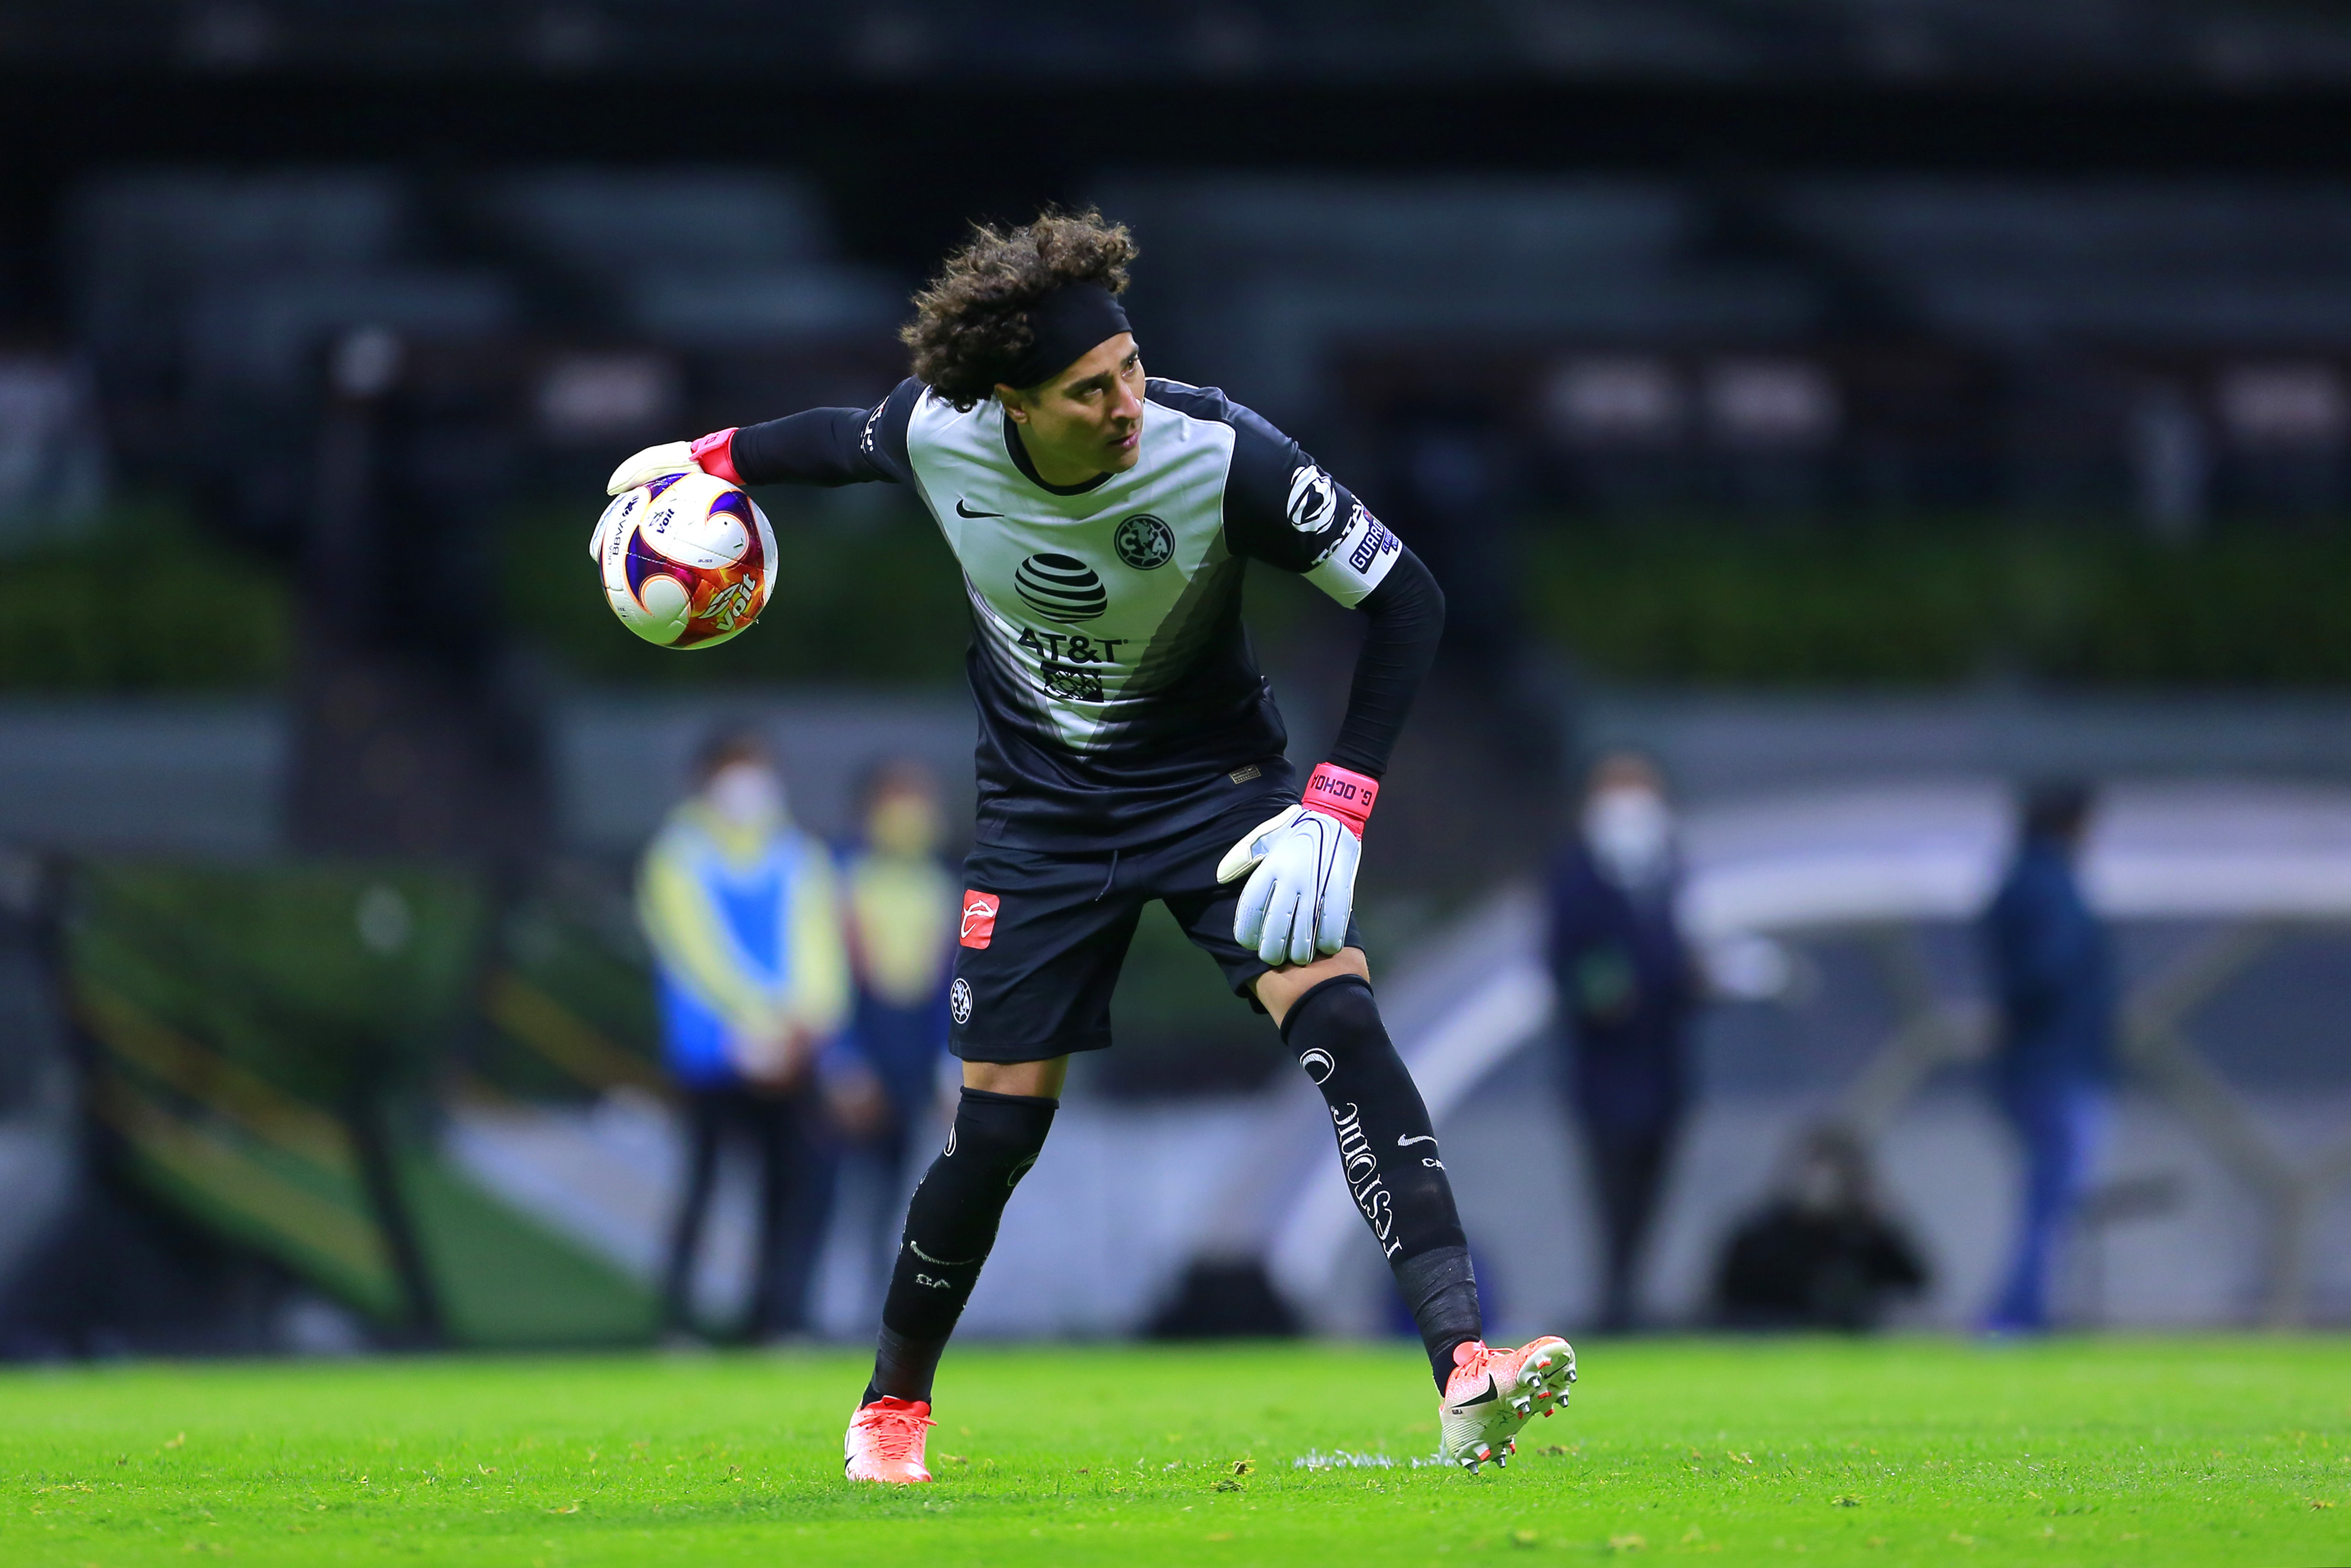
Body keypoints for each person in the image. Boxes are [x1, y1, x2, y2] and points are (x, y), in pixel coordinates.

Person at [602, 209, 1571, 1483]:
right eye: (1087, 387)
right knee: (997, 1133)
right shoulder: (938, 433)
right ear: (1007, 398)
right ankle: (891, 1405)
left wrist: (1337, 798)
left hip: (1212, 790)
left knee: (1340, 1021)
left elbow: (1407, 597)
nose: (1124, 400)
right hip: (1040, 821)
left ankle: (1462, 1367)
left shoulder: (1219, 450)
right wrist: (703, 456)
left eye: (1127, 366)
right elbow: (831, 444)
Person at [638, 729, 850, 1342]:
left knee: (793, 1187)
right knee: (704, 1185)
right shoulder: (678, 854)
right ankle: (677, 1323)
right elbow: (695, 952)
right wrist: (758, 1022)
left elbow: (820, 951)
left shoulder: (797, 854)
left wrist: (809, 1023)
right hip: (711, 1050)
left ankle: (776, 1320)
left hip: (793, 1050)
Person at [1544, 753, 1696, 1333]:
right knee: (1610, 1186)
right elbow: (1561, 964)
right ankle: (1615, 1299)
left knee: (1653, 1185)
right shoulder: (1574, 874)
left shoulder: (1668, 871)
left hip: (1662, 1064)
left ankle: (1629, 1294)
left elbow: (1675, 958)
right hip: (1603, 1069)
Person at [819, 758, 959, 1320]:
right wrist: (844, 1061)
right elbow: (826, 973)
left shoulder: (940, 884)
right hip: (856, 1048)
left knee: (899, 1196)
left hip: (910, 1054)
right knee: (827, 1190)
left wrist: (947, 1068)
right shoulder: (838, 878)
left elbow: (947, 983)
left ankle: (880, 1316)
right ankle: (802, 1316)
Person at [1979, 780, 2115, 1333]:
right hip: (2058, 1062)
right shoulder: (2051, 884)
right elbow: (2048, 971)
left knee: (2050, 1194)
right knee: (2053, 1195)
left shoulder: (2017, 879)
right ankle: (2017, 1313)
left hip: (2039, 1060)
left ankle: (2023, 1309)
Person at [1713, 1125, 1927, 1331]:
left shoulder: (1864, 1238)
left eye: (1838, 1176)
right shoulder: (1759, 1239)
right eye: (1817, 1172)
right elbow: (1728, 1307)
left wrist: (1878, 1220)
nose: (1825, 1185)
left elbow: (1916, 1284)